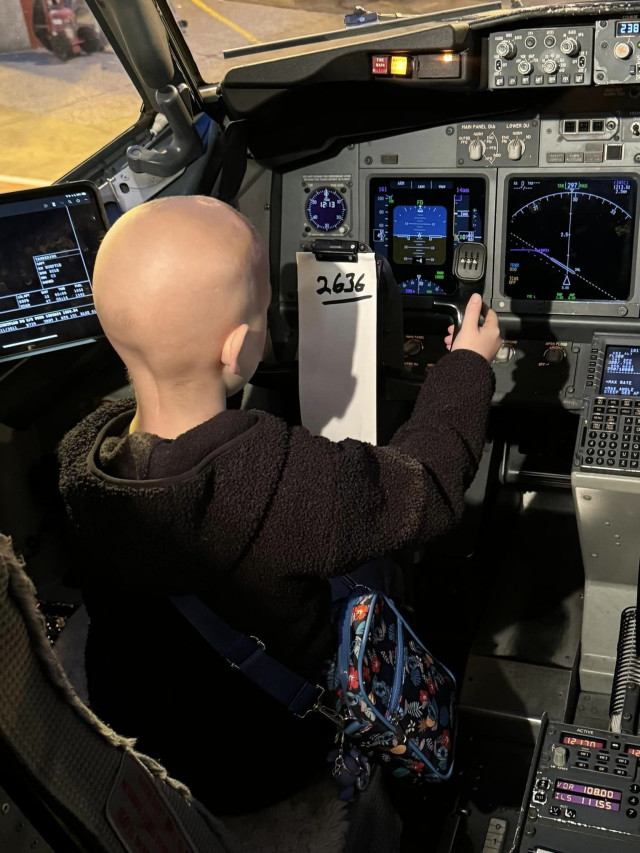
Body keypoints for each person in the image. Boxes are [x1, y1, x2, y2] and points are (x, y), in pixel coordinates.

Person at [57, 195, 502, 814]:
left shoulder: (85, 460)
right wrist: (465, 369)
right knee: (387, 569)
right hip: (263, 757)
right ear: (238, 350)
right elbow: (425, 487)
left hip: (155, 738)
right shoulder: (280, 476)